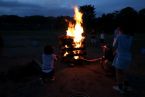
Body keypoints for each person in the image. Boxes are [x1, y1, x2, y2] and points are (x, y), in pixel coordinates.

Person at [112, 26, 133, 94]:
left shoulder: (119, 36)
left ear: (121, 30)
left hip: (121, 57)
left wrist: (116, 36)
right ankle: (126, 86)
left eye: (119, 30)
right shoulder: (130, 37)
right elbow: (127, 47)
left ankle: (120, 87)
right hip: (128, 57)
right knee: (124, 72)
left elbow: (114, 45)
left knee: (118, 72)